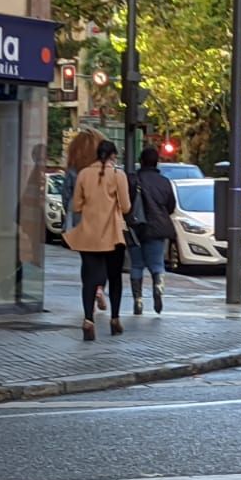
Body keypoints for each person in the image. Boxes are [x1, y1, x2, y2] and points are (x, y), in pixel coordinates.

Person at [64, 135, 131, 338]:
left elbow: (75, 206)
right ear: (113, 156)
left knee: (89, 280)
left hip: (88, 234)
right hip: (113, 235)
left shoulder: (84, 174)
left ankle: (87, 320)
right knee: (115, 277)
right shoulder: (119, 176)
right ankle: (115, 319)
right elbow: (126, 206)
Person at [126, 145, 178, 316]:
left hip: (135, 228)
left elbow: (126, 205)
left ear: (141, 162)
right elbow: (171, 206)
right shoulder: (164, 182)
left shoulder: (132, 180)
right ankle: (158, 287)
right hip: (157, 229)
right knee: (157, 264)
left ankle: (138, 301)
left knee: (136, 265)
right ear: (157, 163)